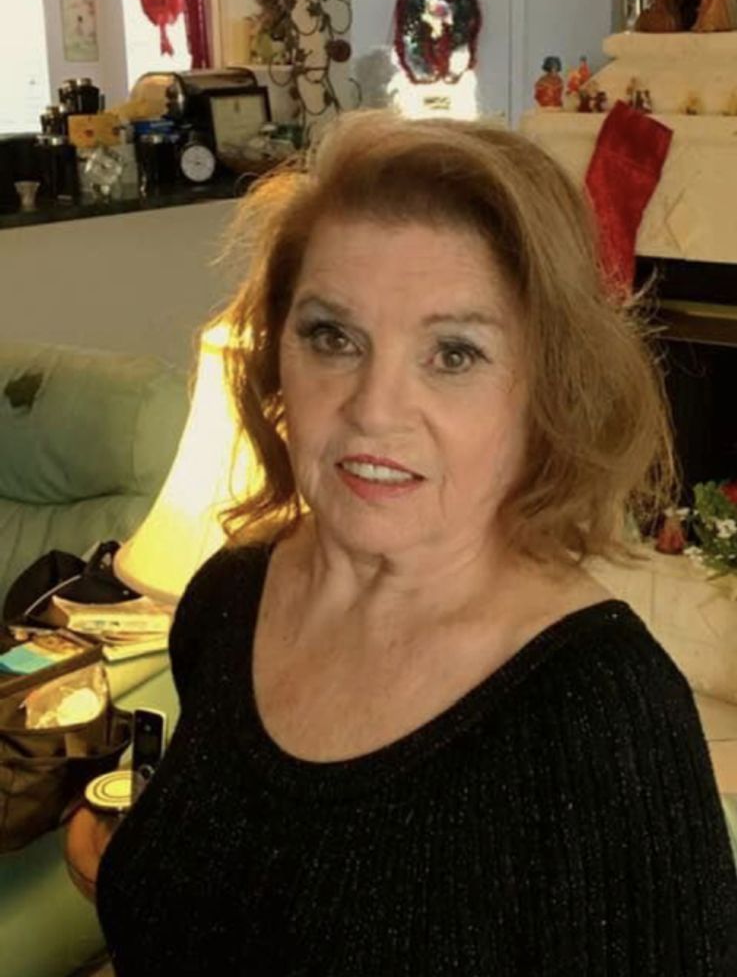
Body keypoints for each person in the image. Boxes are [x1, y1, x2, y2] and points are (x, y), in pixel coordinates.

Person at [96, 111, 737, 975]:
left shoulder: (602, 714)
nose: (373, 410)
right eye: (332, 336)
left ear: (546, 390)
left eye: (453, 354)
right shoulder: (229, 599)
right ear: (277, 353)